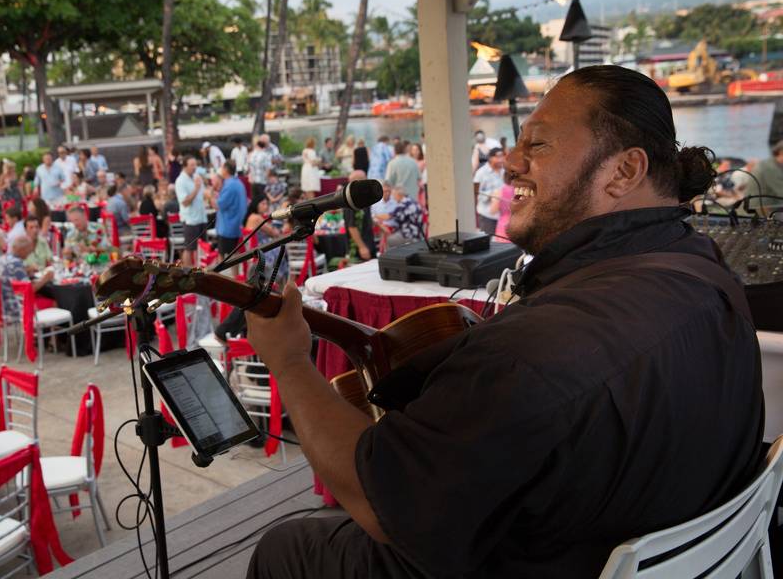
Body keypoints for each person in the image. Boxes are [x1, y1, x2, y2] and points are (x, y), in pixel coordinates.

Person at [243, 65, 761, 579]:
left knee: (287, 545)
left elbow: (382, 504)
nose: (509, 163)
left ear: (624, 172)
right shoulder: (706, 270)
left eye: (537, 146)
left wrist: (289, 360)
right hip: (642, 535)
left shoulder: (531, 354)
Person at [0, 235, 54, 320]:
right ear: (21, 250)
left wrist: (26, 270)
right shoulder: (16, 264)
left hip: (3, 304)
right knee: (55, 302)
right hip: (15, 307)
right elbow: (29, 290)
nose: (29, 253)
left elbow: (12, 276)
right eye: (29, 251)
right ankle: (47, 331)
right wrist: (46, 278)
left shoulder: (2, 259)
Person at [244, 196, 288, 281]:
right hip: (261, 250)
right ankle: (278, 279)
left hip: (254, 249)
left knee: (282, 248)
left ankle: (278, 279)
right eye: (263, 204)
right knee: (284, 248)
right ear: (256, 205)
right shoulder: (257, 218)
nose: (266, 206)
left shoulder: (251, 216)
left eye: (267, 204)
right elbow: (274, 233)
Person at [174, 155, 207, 266]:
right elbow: (185, 202)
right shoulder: (180, 181)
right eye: (192, 165)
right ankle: (187, 272)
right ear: (185, 166)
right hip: (190, 219)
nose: (195, 167)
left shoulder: (196, 176)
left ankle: (200, 269)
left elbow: (203, 194)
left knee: (202, 246)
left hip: (201, 216)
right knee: (189, 248)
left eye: (195, 164)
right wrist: (196, 189)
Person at [212, 160, 248, 258]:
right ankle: (234, 274)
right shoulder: (238, 183)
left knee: (224, 255)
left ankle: (219, 274)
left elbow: (218, 205)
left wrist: (209, 195)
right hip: (235, 224)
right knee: (233, 254)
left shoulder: (229, 185)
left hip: (228, 226)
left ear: (226, 169)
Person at [343, 170, 376, 264]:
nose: (367, 180)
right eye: (364, 178)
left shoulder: (363, 197)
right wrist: (362, 247)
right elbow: (351, 227)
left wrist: (380, 226)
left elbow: (366, 217)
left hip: (368, 242)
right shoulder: (351, 201)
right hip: (359, 249)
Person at [473, 147, 506, 236]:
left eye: (502, 156)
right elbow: (476, 193)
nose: (501, 159)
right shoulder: (481, 173)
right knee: (489, 243)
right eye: (498, 157)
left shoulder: (504, 171)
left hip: (503, 215)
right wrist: (492, 194)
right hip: (487, 215)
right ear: (490, 158)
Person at [745, 140, 783, 214]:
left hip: (770, 205)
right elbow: (781, 191)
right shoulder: (770, 168)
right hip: (759, 210)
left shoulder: (773, 164)